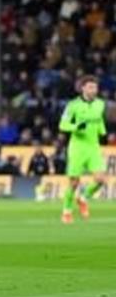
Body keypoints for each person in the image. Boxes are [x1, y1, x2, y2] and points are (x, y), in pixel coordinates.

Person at [58, 75, 107, 224]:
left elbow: (99, 119)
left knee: (100, 180)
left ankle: (83, 198)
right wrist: (76, 127)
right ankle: (67, 211)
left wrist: (102, 131)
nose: (94, 90)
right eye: (90, 87)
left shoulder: (100, 104)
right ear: (83, 88)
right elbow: (62, 125)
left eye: (95, 87)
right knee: (74, 182)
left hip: (93, 147)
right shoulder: (73, 105)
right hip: (77, 147)